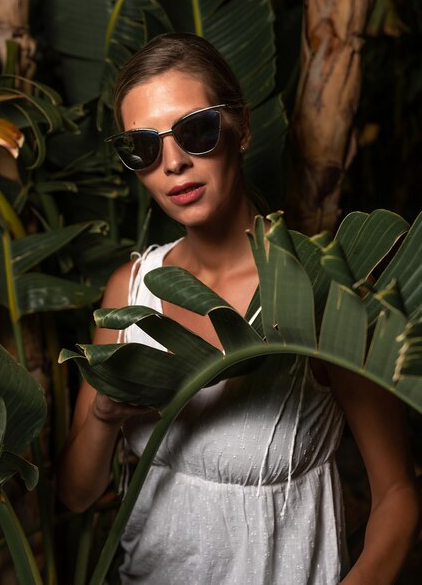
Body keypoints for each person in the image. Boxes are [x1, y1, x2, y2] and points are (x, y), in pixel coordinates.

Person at [57, 33, 420, 584]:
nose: (174, 164)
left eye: (196, 131)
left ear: (242, 128)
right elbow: (78, 496)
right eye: (145, 147)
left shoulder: (322, 289)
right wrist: (105, 416)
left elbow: (397, 496)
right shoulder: (127, 290)